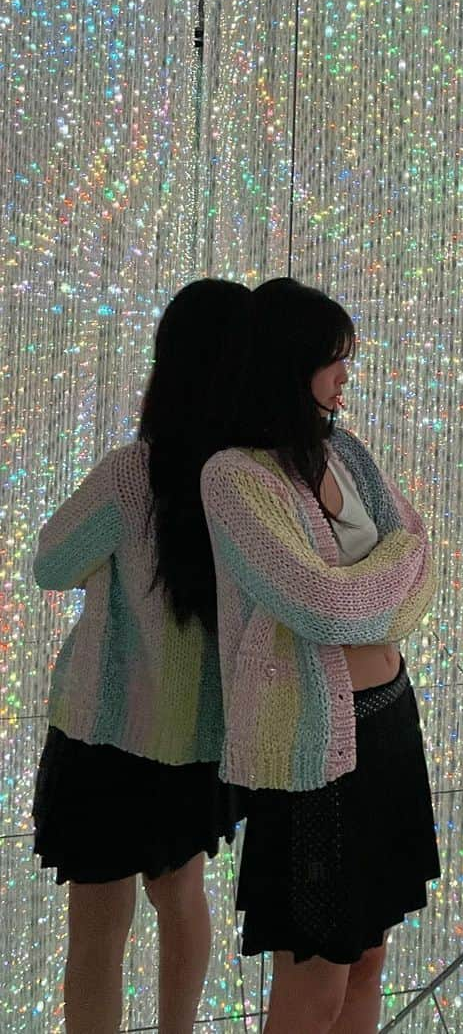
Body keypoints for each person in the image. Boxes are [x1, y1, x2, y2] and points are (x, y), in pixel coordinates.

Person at [200, 277, 439, 1034]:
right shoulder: (236, 476)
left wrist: (377, 580)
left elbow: (424, 557)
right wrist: (386, 578)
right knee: (315, 980)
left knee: (369, 961)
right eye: (333, 360)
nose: (345, 375)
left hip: (391, 726)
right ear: (286, 361)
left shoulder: (347, 450)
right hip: (313, 754)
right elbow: (319, 604)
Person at [32, 278, 253, 1034]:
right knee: (181, 897)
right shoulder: (251, 482)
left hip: (103, 734)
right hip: (197, 742)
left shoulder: (130, 473)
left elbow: (51, 562)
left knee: (97, 927)